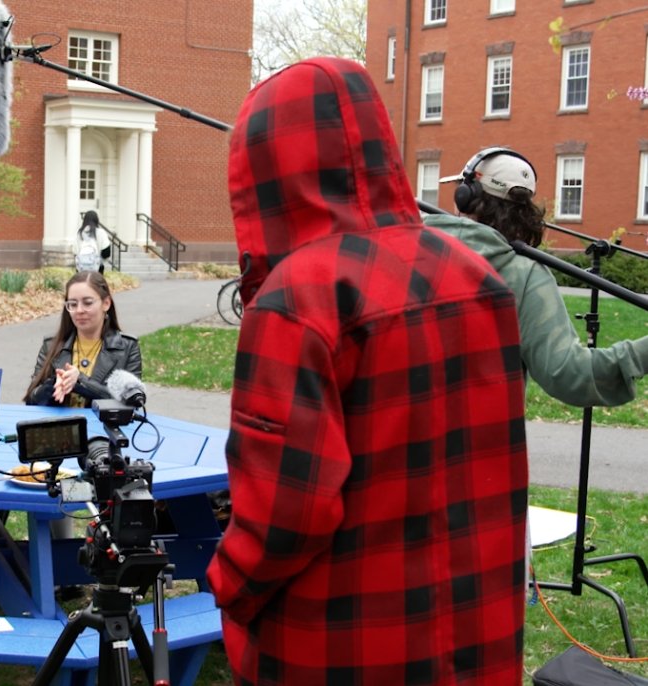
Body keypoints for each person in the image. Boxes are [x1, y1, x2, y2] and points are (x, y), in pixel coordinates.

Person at [206, 57, 528, 685]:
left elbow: (286, 513)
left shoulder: (297, 298)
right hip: (473, 641)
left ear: (265, 166)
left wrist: (226, 585)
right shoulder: (477, 276)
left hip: (339, 650)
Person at [426, 147, 648, 406]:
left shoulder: (402, 252)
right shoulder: (525, 275)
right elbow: (568, 375)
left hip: (392, 436)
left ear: (465, 197)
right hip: (481, 440)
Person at [24, 270, 141, 407]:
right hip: (59, 428)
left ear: (106, 304)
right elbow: (31, 401)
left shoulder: (127, 347)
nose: (79, 310)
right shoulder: (51, 345)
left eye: (87, 303)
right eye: (73, 304)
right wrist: (52, 385)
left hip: (102, 428)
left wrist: (80, 381)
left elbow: (131, 404)